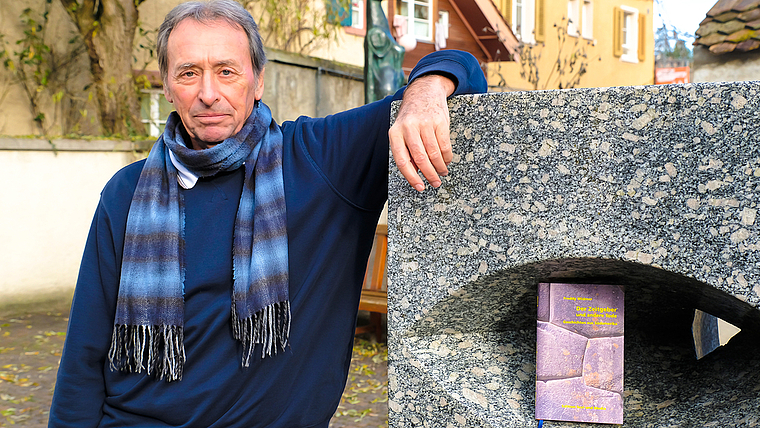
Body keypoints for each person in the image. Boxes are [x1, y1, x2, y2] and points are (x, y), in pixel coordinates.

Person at [48, 1, 487, 426]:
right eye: (188, 73)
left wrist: (423, 95)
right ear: (165, 85)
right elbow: (85, 353)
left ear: (257, 81)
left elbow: (463, 65)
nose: (208, 93)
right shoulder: (126, 193)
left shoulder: (321, 162)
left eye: (226, 71)